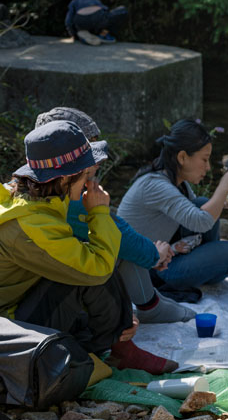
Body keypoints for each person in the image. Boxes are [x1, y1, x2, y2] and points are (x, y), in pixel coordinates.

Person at [1, 121, 177, 376]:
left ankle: (118, 340)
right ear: (64, 178)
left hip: (18, 303)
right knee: (95, 265)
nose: (88, 183)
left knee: (89, 263)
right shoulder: (31, 225)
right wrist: (99, 213)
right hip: (10, 325)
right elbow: (97, 271)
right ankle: (122, 348)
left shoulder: (30, 196)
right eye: (86, 176)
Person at [34, 107, 194, 324]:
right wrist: (154, 254)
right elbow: (118, 235)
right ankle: (148, 307)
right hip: (48, 297)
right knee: (120, 249)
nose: (97, 161)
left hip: (51, 284)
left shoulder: (39, 182)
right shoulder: (66, 194)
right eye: (89, 151)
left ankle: (148, 303)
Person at [117, 119, 228, 295]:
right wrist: (221, 190)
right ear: (182, 157)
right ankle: (207, 266)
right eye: (204, 160)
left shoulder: (174, 180)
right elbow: (201, 222)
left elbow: (195, 214)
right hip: (149, 270)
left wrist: (222, 200)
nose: (208, 167)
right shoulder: (155, 185)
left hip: (165, 255)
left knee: (201, 203)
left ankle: (207, 265)